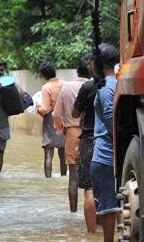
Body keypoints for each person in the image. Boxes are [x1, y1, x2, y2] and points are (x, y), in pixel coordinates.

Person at [90, 44, 120, 242]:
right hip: (112, 155)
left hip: (105, 156)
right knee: (116, 205)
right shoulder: (117, 84)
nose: (89, 65)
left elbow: (109, 117)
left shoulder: (104, 88)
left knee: (108, 208)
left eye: (92, 61)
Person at [53, 56, 90, 213]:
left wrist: (61, 129)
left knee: (73, 177)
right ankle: (94, 214)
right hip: (92, 133)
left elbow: (56, 114)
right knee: (93, 178)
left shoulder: (66, 87)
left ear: (77, 71)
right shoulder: (95, 86)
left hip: (72, 133)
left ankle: (73, 213)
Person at [72, 53, 99, 233]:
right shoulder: (117, 85)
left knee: (89, 187)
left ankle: (91, 234)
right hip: (113, 139)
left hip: (89, 138)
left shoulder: (88, 86)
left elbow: (75, 112)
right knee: (112, 187)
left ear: (93, 64)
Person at [0, 58, 24, 177]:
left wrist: (12, 86)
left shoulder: (8, 83)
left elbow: (22, 96)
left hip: (2, 125)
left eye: (1, 70)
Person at [36, 62, 66, 178]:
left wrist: (37, 107)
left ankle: (48, 180)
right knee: (63, 152)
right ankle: (64, 176)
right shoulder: (65, 84)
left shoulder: (46, 87)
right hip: (63, 119)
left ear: (43, 75)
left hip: (50, 120)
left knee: (49, 152)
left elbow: (45, 109)